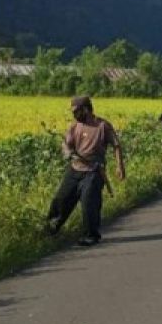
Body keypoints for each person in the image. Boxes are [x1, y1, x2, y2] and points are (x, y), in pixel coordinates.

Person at [45, 96, 126, 246]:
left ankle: (91, 235)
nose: (73, 114)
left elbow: (116, 145)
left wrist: (119, 166)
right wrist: (67, 151)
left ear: (86, 109)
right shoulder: (75, 127)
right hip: (75, 169)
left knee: (89, 202)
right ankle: (50, 229)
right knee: (61, 200)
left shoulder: (103, 126)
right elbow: (66, 144)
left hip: (94, 171)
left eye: (76, 111)